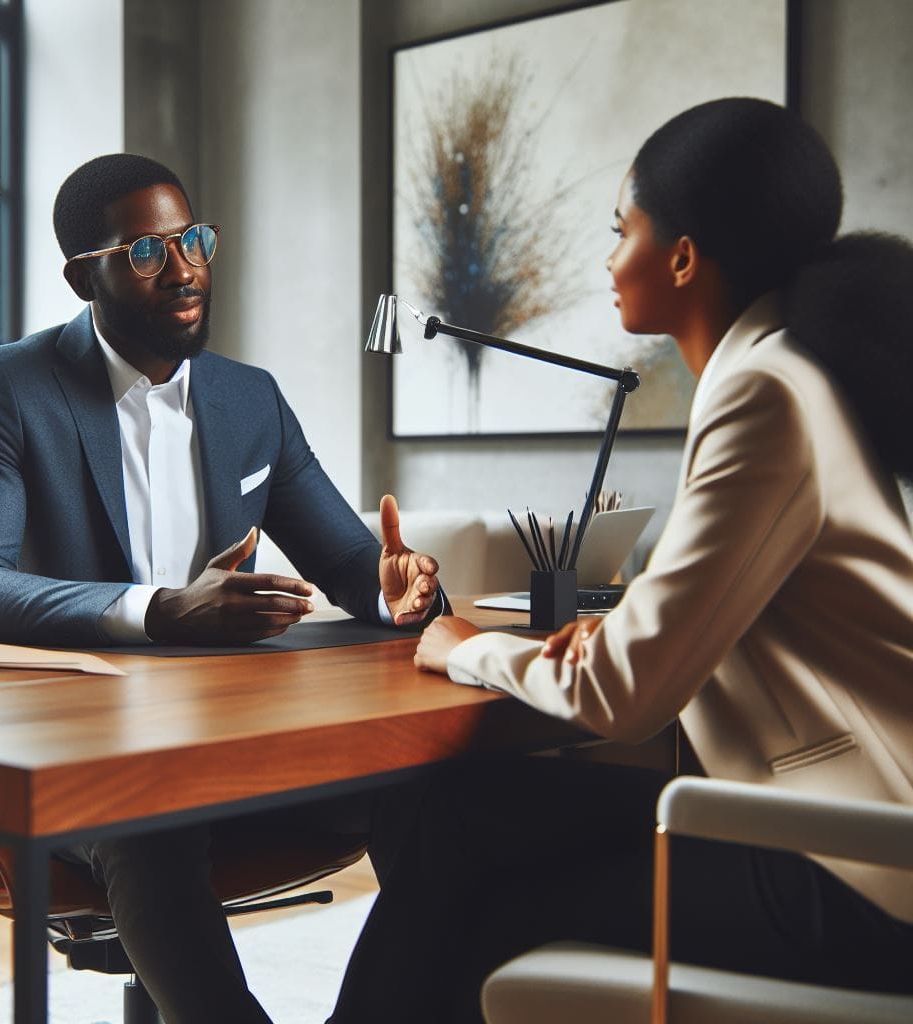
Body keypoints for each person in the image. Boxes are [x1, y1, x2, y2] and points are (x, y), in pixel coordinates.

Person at [326, 97, 913, 1024]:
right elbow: (705, 623)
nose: (607, 259)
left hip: (855, 873)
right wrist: (609, 631)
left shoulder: (766, 391)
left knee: (468, 909)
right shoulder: (788, 371)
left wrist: (462, 644)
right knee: (435, 816)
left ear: (681, 257)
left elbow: (627, 694)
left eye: (620, 229)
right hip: (822, 836)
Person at [0, 152, 445, 1024]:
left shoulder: (250, 399)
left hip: (235, 743)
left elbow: (353, 564)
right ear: (81, 275)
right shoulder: (8, 386)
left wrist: (398, 588)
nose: (185, 267)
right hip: (86, 757)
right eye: (145, 252)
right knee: (151, 820)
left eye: (194, 239)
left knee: (439, 789)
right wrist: (160, 610)